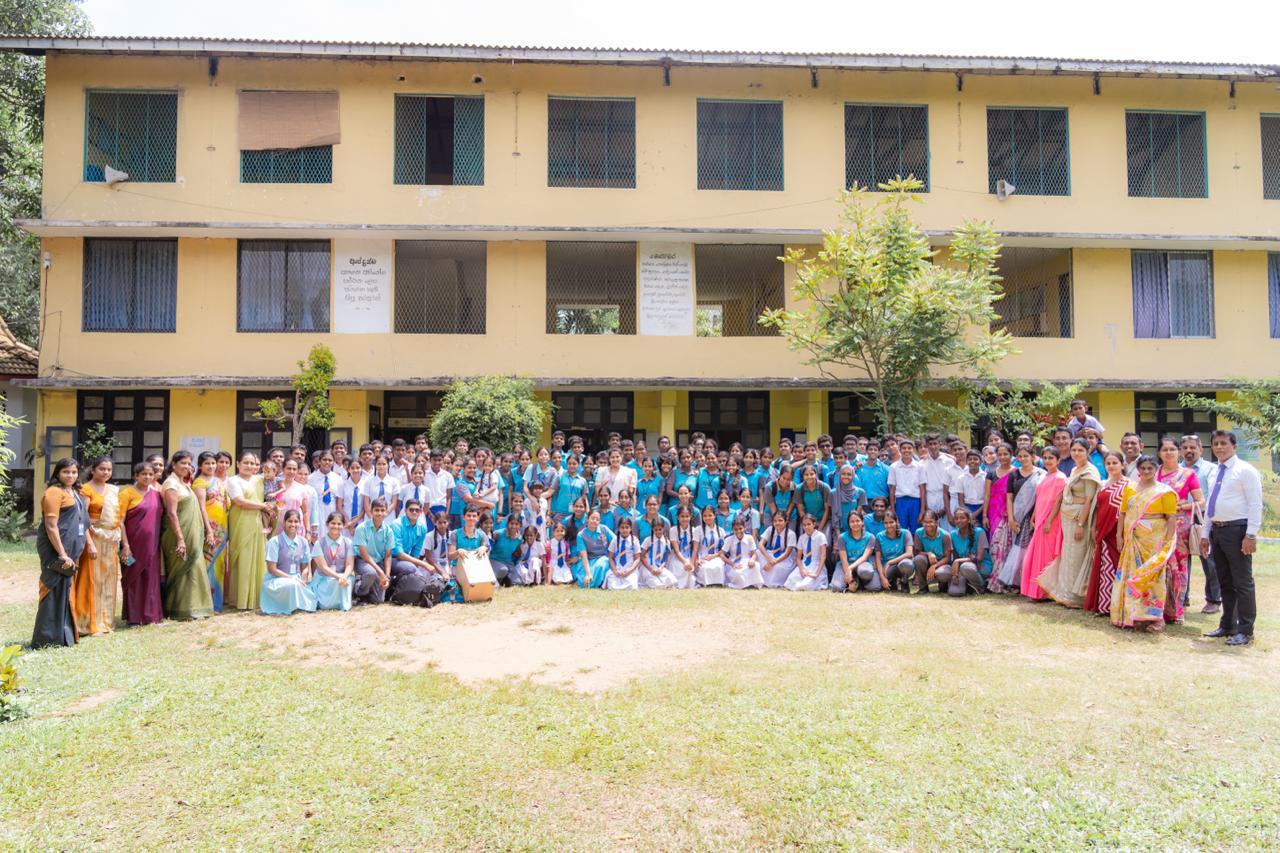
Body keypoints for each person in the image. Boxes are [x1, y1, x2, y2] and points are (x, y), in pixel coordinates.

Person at [1200, 430, 1264, 646]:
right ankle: (1228, 625)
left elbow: (1255, 504)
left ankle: (1246, 630)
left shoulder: (1245, 470)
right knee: (1225, 580)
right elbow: (1210, 504)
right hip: (1217, 531)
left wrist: (1251, 535)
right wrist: (1205, 533)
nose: (1219, 447)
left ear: (1234, 446)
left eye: (1224, 443)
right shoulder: (1214, 471)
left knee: (1242, 582)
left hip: (1238, 531)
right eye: (1215, 443)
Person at [1111, 455, 1177, 632]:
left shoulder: (1164, 491)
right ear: (1138, 470)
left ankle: (1156, 618)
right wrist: (1119, 536)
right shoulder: (1130, 489)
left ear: (1157, 469)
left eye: (1151, 468)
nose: (1147, 471)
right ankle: (1133, 614)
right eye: (1143, 468)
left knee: (1153, 576)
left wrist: (1167, 542)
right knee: (1132, 573)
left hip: (1155, 539)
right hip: (1133, 538)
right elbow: (1123, 514)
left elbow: (1171, 517)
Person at [1036, 439, 1102, 607]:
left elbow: (1089, 500)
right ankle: (1065, 594)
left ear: (1088, 452)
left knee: (1077, 556)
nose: (1076, 453)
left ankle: (1076, 597)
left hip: (1080, 519)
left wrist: (1081, 524)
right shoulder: (1075, 469)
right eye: (1074, 450)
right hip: (1067, 517)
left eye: (1081, 450)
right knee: (1068, 555)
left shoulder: (1089, 472)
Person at [32, 459, 89, 648]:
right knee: (52, 587)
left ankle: (63, 635)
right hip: (55, 549)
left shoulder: (74, 492)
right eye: (66, 472)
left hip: (70, 549)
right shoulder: (53, 493)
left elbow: (82, 523)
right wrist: (63, 553)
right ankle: (46, 637)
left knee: (65, 588)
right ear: (58, 473)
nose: (70, 476)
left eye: (74, 472)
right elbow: (50, 526)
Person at [160, 451, 213, 621]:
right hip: (178, 534)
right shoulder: (170, 484)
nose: (187, 466)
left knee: (195, 569)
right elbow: (172, 513)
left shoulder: (184, 484)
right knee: (182, 569)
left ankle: (196, 607)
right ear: (173, 465)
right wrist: (180, 539)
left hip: (191, 533)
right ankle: (178, 609)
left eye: (189, 463)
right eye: (182, 463)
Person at [1156, 435, 1203, 624]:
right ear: (1159, 453)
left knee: (1179, 569)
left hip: (1180, 527)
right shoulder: (1155, 472)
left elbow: (1201, 501)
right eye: (1165, 449)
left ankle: (1177, 610)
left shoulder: (1188, 474)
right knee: (1160, 566)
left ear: (1179, 452)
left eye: (1172, 449)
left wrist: (1183, 507)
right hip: (1158, 526)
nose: (1168, 453)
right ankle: (1158, 608)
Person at [72, 456, 120, 636]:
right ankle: (87, 624)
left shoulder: (114, 490)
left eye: (109, 469)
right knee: (91, 579)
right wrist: (89, 543)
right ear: (93, 470)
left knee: (107, 580)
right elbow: (81, 519)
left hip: (110, 540)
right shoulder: (85, 489)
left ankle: (105, 622)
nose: (106, 472)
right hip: (92, 537)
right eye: (102, 469)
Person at [993, 447, 1044, 593]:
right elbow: (1009, 497)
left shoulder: (1041, 474)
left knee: (1026, 550)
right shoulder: (1013, 474)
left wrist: (1034, 516)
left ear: (1033, 456)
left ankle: (1024, 582)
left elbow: (1041, 497)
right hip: (1017, 516)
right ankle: (1018, 582)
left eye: (1025, 456)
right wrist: (1011, 519)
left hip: (1033, 517)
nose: (1022, 459)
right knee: (1017, 549)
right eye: (1020, 456)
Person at [118, 462, 164, 626]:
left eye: (151, 474)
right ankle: (134, 617)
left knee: (150, 577)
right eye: (143, 474)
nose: (147, 477)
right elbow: (120, 522)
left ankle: (150, 615)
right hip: (131, 545)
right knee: (132, 577)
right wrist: (125, 545)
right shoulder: (127, 493)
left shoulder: (156, 494)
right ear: (136, 476)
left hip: (151, 545)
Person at [1083, 451, 1129, 616]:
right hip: (1102, 530)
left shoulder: (1129, 485)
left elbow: (1128, 511)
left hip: (1118, 531)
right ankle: (1104, 604)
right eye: (1108, 463)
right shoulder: (1102, 484)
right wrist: (1094, 527)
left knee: (1118, 566)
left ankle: (1120, 604)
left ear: (1122, 464)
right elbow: (1097, 508)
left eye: (1115, 462)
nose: (1111, 466)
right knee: (1105, 567)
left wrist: (1120, 533)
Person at [1020, 446, 1068, 601]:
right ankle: (1036, 590)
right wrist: (1034, 515)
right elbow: (1039, 498)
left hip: (1052, 521)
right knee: (1035, 554)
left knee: (1046, 555)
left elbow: (1058, 501)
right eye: (1045, 458)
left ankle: (1045, 591)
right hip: (1040, 517)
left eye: (1051, 458)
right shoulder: (1044, 476)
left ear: (1058, 460)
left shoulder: (1061, 478)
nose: (1047, 461)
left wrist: (1049, 521)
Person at [1180, 434, 1221, 614]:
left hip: (1202, 517)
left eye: (1192, 447)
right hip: (1180, 518)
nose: (1189, 451)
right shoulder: (1177, 470)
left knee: (1208, 559)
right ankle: (1182, 596)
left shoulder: (1210, 469)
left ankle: (1213, 599)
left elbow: (1211, 495)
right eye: (1185, 448)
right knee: (1181, 559)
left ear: (1200, 449)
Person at [227, 452, 270, 611]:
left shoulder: (259, 479)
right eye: (246, 462)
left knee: (259, 558)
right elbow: (239, 501)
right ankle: (241, 599)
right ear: (238, 463)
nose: (250, 466)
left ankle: (258, 598)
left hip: (258, 523)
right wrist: (263, 506)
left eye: (253, 463)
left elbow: (276, 480)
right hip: (241, 523)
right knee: (243, 559)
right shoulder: (233, 481)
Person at [260, 508, 319, 615]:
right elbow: (271, 569)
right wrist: (292, 579)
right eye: (290, 521)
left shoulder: (303, 542)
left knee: (315, 592)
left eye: (296, 521)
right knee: (293, 585)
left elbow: (305, 567)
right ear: (284, 523)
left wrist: (303, 580)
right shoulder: (275, 542)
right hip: (276, 579)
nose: (293, 524)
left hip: (297, 579)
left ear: (300, 523)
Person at [193, 451, 231, 613]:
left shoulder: (219, 482)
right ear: (200, 465)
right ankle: (205, 603)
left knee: (219, 566)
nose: (211, 466)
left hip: (223, 530)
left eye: (213, 463)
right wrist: (209, 531)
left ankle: (217, 604)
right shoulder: (199, 483)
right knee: (207, 565)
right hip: (209, 530)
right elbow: (201, 508)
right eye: (207, 463)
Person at [353, 498, 395, 604]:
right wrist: (380, 572)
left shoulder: (389, 531)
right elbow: (363, 554)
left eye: (382, 510)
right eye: (377, 510)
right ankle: (361, 593)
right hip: (363, 561)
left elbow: (388, 555)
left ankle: (368, 587)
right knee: (371, 573)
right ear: (371, 511)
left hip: (378, 563)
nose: (379, 513)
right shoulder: (361, 528)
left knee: (378, 601)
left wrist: (387, 576)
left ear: (386, 512)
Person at [309, 511, 355, 611]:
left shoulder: (348, 543)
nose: (336, 526)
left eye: (339, 524)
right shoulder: (319, 543)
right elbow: (323, 567)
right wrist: (339, 576)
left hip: (343, 577)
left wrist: (344, 576)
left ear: (343, 525)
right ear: (327, 524)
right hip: (324, 578)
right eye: (333, 523)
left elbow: (349, 565)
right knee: (325, 606)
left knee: (348, 580)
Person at [833, 510, 879, 592]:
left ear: (862, 522)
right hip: (845, 564)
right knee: (837, 588)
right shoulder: (842, 537)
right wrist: (849, 578)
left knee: (875, 587)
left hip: (862, 564)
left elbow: (864, 557)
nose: (855, 524)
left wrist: (849, 568)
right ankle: (853, 582)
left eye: (858, 521)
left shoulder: (870, 537)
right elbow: (843, 560)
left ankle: (860, 582)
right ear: (849, 524)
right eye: (852, 521)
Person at [948, 507, 990, 595]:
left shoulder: (979, 532)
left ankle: (981, 586)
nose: (959, 520)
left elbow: (979, 558)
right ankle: (968, 585)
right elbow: (956, 557)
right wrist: (955, 574)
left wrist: (957, 561)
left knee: (966, 567)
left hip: (980, 567)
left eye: (962, 518)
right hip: (963, 567)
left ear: (969, 520)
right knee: (954, 592)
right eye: (956, 518)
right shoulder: (952, 534)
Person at [911, 510, 955, 595]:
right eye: (925, 522)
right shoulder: (918, 532)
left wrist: (935, 566)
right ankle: (923, 588)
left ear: (936, 522)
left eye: (930, 521)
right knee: (918, 559)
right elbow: (917, 552)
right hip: (927, 561)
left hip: (942, 563)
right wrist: (928, 554)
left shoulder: (945, 535)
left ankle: (943, 585)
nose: (927, 524)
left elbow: (947, 557)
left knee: (942, 573)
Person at [888, 439, 926, 535]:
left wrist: (922, 510)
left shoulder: (919, 466)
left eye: (909, 448)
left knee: (916, 527)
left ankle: (916, 549)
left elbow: (922, 489)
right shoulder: (894, 467)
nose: (906, 450)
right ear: (900, 450)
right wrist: (892, 508)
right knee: (901, 528)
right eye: (904, 448)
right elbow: (892, 489)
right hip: (901, 501)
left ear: (913, 450)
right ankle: (904, 549)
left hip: (915, 501)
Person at [784, 514, 828, 591]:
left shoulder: (820, 536)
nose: (806, 527)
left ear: (814, 524)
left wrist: (817, 573)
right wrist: (802, 569)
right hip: (804, 565)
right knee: (790, 580)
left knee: (807, 583)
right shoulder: (802, 538)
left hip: (816, 565)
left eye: (809, 524)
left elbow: (823, 556)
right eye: (804, 525)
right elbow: (798, 557)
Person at [574, 509, 615, 589]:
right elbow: (584, 556)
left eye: (597, 519)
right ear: (587, 519)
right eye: (592, 518)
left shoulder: (604, 529)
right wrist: (588, 574)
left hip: (603, 558)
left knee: (601, 565)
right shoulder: (581, 535)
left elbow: (616, 541)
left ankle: (596, 583)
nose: (594, 521)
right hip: (589, 560)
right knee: (583, 581)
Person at [876, 510, 915, 592]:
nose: (889, 525)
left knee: (907, 564)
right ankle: (892, 582)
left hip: (901, 564)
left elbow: (909, 553)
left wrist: (890, 562)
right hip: (887, 568)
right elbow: (878, 559)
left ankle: (904, 581)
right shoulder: (879, 536)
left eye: (891, 522)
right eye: (886, 523)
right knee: (878, 587)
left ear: (896, 521)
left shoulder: (905, 533)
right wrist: (882, 577)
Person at [721, 516, 764, 589]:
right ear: (732, 530)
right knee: (738, 572)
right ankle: (739, 584)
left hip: (746, 560)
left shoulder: (749, 538)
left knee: (756, 566)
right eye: (735, 529)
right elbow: (722, 554)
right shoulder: (729, 539)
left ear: (744, 528)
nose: (738, 531)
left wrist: (752, 559)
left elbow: (754, 553)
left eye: (740, 528)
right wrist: (732, 564)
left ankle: (752, 584)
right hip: (734, 561)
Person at [759, 510, 797, 588]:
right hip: (772, 554)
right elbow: (760, 545)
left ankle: (773, 583)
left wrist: (773, 562)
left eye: (780, 520)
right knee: (757, 553)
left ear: (786, 521)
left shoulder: (791, 534)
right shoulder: (770, 529)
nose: (777, 523)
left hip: (784, 557)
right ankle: (760, 580)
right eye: (775, 521)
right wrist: (769, 559)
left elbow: (787, 554)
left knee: (777, 567)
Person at [638, 515, 678, 589]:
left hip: (659, 566)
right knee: (654, 582)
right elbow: (642, 556)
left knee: (672, 580)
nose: (658, 532)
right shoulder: (648, 540)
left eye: (660, 529)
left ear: (663, 528)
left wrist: (661, 568)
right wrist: (650, 569)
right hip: (648, 566)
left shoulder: (666, 542)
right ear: (652, 529)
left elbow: (665, 558)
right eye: (655, 530)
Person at [604, 516, 641, 590]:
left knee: (632, 585)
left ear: (630, 528)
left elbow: (637, 558)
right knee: (612, 585)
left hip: (630, 569)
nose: (624, 530)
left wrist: (630, 570)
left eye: (627, 527)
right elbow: (611, 558)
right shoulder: (615, 540)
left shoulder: (635, 541)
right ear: (619, 528)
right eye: (622, 527)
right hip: (617, 569)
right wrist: (615, 570)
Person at [694, 505, 726, 587]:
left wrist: (714, 556)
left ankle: (718, 583)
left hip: (716, 556)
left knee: (718, 566)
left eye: (710, 515)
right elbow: (695, 548)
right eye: (704, 516)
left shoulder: (721, 531)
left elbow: (724, 549)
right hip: (703, 556)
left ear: (714, 516)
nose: (707, 518)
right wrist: (696, 559)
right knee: (706, 567)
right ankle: (707, 583)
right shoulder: (698, 530)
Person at [668, 504, 698, 589]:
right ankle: (678, 584)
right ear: (678, 517)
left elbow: (695, 549)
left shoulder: (694, 530)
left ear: (691, 517)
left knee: (690, 567)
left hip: (690, 555)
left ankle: (690, 584)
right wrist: (685, 562)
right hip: (678, 555)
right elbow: (677, 550)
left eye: (687, 516)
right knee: (677, 565)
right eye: (682, 516)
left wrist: (691, 562)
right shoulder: (673, 530)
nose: (685, 519)